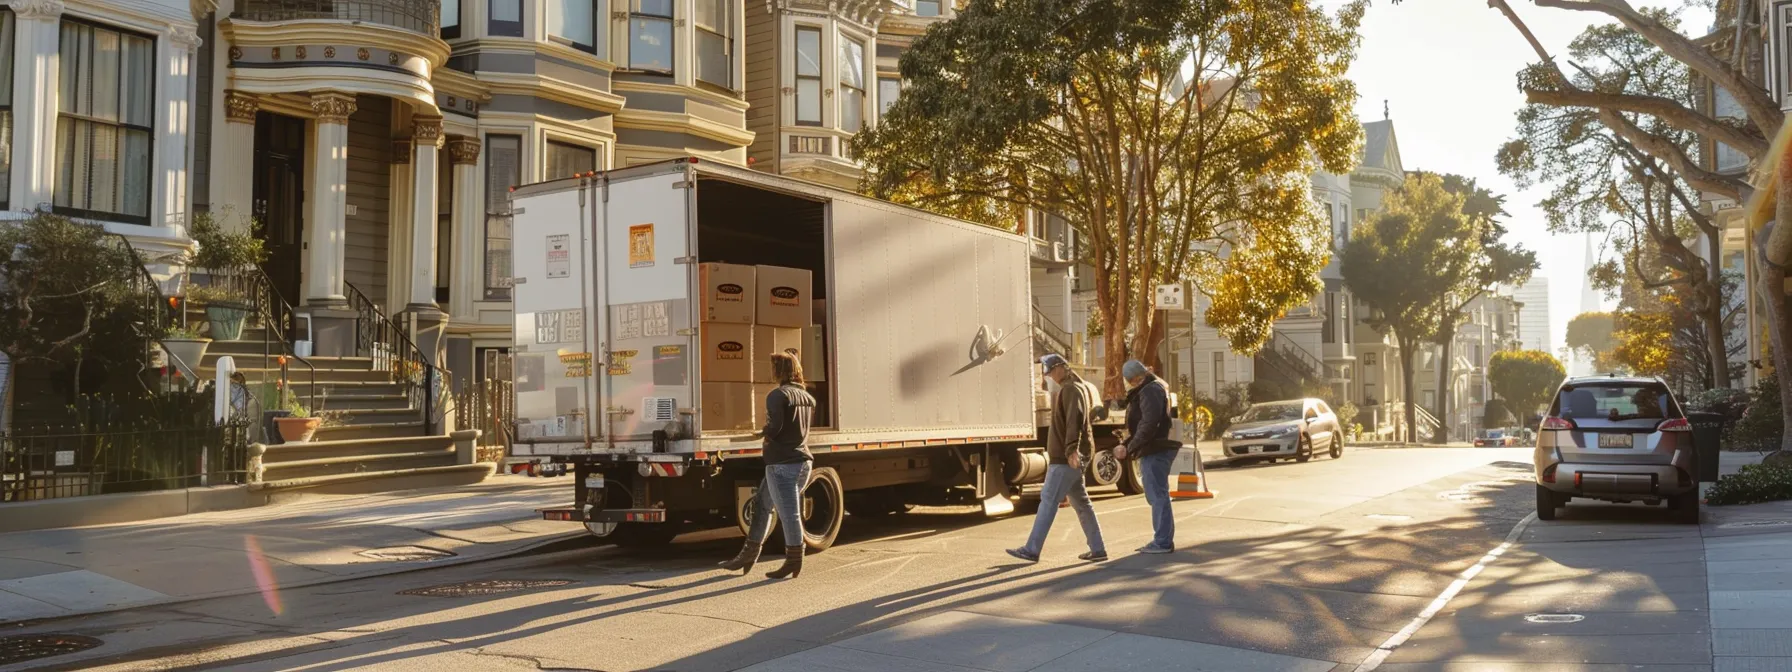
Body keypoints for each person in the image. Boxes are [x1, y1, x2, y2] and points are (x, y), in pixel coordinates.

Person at [719, 352, 816, 579]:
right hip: (802, 462)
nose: (771, 372)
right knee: (764, 504)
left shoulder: (777, 395)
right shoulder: (805, 396)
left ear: (780, 370)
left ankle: (793, 560)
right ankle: (748, 555)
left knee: (788, 514)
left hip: (781, 463)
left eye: (774, 367)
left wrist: (761, 433)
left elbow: (775, 427)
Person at [1007, 354, 1108, 563]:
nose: (1050, 376)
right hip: (1070, 456)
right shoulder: (1073, 388)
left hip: (1065, 458)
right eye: (1048, 372)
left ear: (1062, 367)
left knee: (1048, 500)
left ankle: (1031, 549)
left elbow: (1074, 421)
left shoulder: (1071, 390)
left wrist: (1071, 450)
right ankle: (1098, 548)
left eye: (1052, 371)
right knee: (1081, 503)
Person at [1113, 359, 1180, 554]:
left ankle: (1162, 541)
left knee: (1157, 496)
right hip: (1157, 447)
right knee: (1158, 495)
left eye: (1130, 380)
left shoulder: (1150, 390)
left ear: (1135, 378)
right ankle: (1162, 539)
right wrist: (1128, 444)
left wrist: (1129, 446)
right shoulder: (1155, 386)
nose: (1130, 384)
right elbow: (1146, 423)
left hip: (1155, 449)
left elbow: (1148, 424)